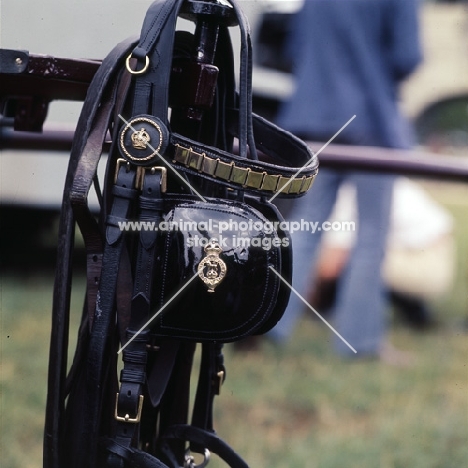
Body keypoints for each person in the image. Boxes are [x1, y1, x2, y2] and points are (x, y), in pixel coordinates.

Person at [269, 0, 423, 362]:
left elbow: (294, 47)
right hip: (370, 117)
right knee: (372, 235)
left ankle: (269, 327)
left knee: (303, 229)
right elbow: (408, 55)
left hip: (315, 116)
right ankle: (361, 342)